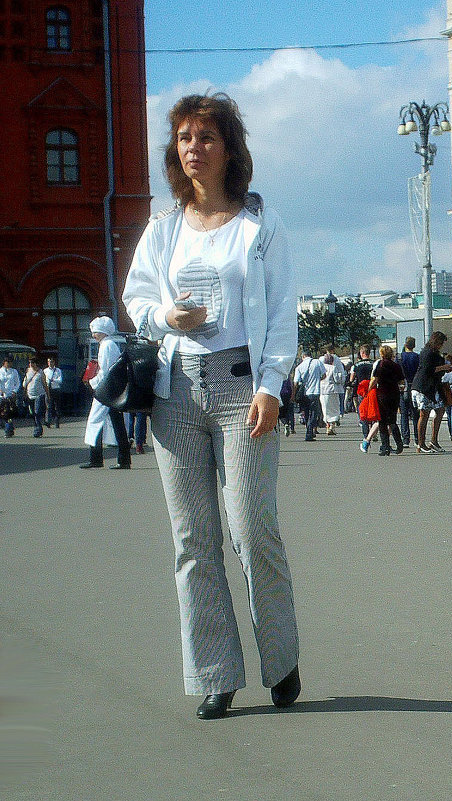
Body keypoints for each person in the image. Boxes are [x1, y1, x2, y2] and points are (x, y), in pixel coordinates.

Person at [121, 93, 301, 721]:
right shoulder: (164, 228)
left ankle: (281, 660)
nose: (192, 148)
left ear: (229, 149)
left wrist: (272, 386)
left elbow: (282, 312)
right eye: (184, 138)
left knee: (253, 530)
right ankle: (214, 673)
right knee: (193, 539)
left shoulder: (259, 222)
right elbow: (136, 299)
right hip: (176, 392)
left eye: (205, 137)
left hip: (242, 389)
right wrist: (164, 315)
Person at [81, 317, 132, 468]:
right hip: (111, 389)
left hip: (106, 390)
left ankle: (96, 458)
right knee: (117, 423)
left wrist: (92, 382)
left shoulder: (107, 345)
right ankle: (123, 459)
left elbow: (106, 371)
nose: (94, 335)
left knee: (95, 421)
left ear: (102, 331)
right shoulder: (109, 344)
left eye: (95, 332)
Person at [411, 331, 452, 453]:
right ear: (435, 342)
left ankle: (433, 441)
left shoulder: (434, 353)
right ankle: (421, 443)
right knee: (424, 414)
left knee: (440, 410)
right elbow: (427, 370)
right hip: (423, 387)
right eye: (440, 343)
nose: (441, 346)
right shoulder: (427, 353)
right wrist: (443, 367)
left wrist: (446, 368)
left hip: (433, 387)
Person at [371, 344, 405, 455]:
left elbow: (374, 379)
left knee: (382, 422)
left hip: (382, 394)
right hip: (394, 394)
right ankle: (399, 444)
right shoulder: (396, 366)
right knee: (392, 421)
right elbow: (401, 381)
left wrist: (368, 389)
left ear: (381, 354)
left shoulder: (380, 365)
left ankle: (385, 446)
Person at [293, 350, 324, 441]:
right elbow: (324, 375)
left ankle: (308, 429)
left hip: (304, 393)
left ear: (303, 357)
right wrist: (317, 379)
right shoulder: (317, 362)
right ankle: (310, 431)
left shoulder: (299, 367)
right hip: (315, 391)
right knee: (314, 412)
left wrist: (293, 396)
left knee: (306, 412)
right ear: (311, 355)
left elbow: (295, 383)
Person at [399, 337, 420, 447]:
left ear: (405, 345)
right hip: (414, 386)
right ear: (414, 345)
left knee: (404, 414)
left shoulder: (400, 357)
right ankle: (417, 438)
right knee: (415, 414)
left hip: (403, 387)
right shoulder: (417, 357)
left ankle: (406, 439)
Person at [319, 347, 345, 435]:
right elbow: (337, 379)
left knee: (325, 409)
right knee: (334, 408)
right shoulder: (333, 368)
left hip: (323, 390)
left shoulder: (322, 368)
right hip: (332, 390)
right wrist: (340, 376)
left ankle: (327, 426)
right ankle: (332, 426)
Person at [350, 345, 374, 433]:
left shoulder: (356, 365)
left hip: (362, 390)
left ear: (362, 353)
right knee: (372, 409)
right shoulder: (374, 363)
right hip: (372, 389)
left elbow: (351, 379)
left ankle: (365, 432)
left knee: (363, 411)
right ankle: (373, 429)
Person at [23, 357, 48, 438]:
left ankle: (37, 429)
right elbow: (25, 384)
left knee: (37, 412)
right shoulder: (28, 371)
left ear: (36, 363)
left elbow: (45, 384)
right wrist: (25, 393)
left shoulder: (40, 372)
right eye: (30, 363)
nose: (30, 365)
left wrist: (48, 395)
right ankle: (37, 425)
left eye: (32, 363)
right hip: (29, 395)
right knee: (32, 413)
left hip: (39, 395)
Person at [0, 357, 19, 437]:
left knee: (8, 413)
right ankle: (9, 427)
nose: (10, 364)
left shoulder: (14, 371)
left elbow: (17, 383)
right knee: (3, 413)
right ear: (4, 362)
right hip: (1, 395)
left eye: (11, 362)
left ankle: (8, 430)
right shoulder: (0, 371)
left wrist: (14, 391)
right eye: (8, 362)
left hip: (10, 395)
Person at [43, 356, 64, 427]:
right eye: (48, 361)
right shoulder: (45, 371)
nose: (50, 363)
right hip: (48, 390)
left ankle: (56, 421)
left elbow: (60, 380)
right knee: (48, 406)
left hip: (56, 389)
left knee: (57, 406)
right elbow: (43, 381)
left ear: (54, 362)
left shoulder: (58, 370)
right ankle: (48, 421)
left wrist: (53, 380)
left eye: (51, 361)